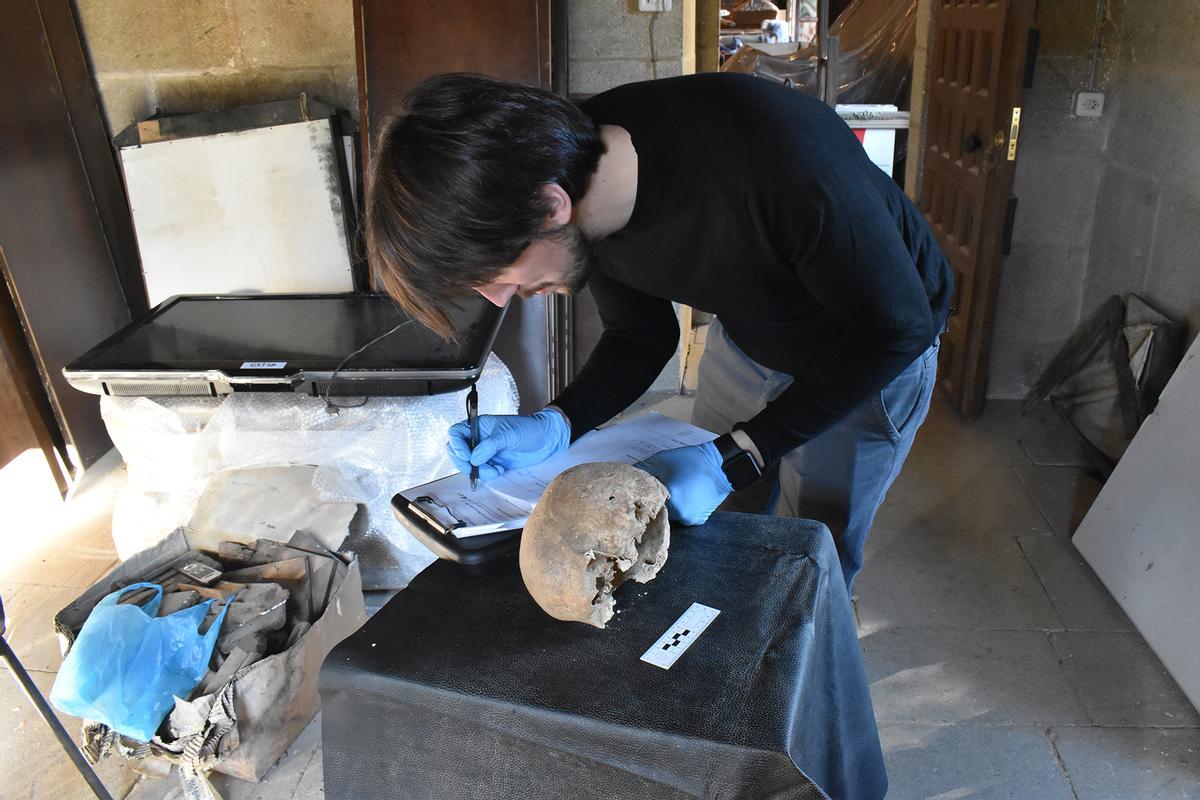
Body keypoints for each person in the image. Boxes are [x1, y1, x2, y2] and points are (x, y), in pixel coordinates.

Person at [366, 72, 952, 591]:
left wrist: (743, 452)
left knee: (809, 554)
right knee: (721, 523)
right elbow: (640, 333)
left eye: (496, 274)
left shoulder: (784, 169)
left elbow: (895, 331)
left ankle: (802, 693)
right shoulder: (575, 181)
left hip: (870, 348)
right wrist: (560, 422)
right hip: (752, 335)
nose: (501, 299)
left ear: (550, 207)